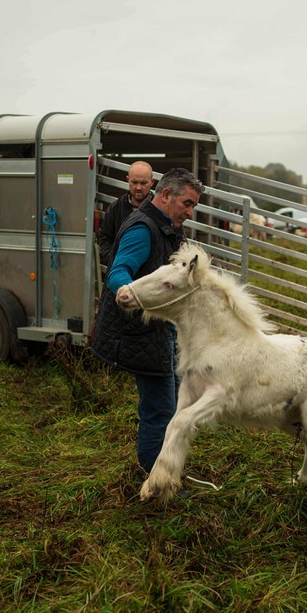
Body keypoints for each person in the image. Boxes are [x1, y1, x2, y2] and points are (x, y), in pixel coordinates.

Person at [90, 168, 204, 473]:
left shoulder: (167, 224)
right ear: (166, 195)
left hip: (163, 329)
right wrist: (127, 292)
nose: (190, 212)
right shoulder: (142, 228)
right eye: (187, 204)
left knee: (174, 403)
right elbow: (118, 271)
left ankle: (165, 468)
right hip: (141, 333)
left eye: (193, 205)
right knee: (160, 409)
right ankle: (155, 478)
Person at [97, 161, 155, 267]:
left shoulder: (161, 209)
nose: (138, 187)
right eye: (134, 182)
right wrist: (117, 262)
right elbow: (104, 239)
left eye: (143, 183)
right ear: (128, 180)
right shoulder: (115, 208)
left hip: (152, 277)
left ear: (152, 182)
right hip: (122, 272)